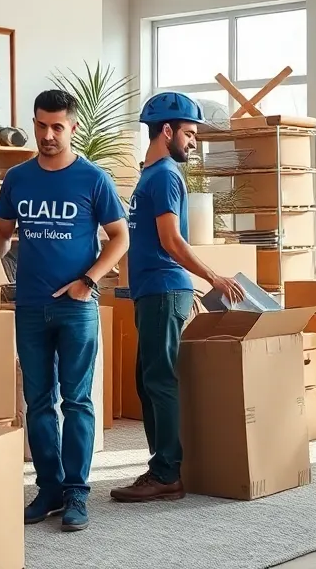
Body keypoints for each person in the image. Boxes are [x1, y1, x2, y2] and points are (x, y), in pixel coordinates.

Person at [0, 89, 128, 532]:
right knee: (37, 402)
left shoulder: (93, 179)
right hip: (28, 305)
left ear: (72, 128)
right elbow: (1, 235)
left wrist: (88, 282)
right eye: (40, 125)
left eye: (56, 127)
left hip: (76, 307)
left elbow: (119, 238)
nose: (47, 135)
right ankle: (48, 489)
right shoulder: (17, 178)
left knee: (77, 401)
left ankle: (76, 494)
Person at [110, 91, 244, 504]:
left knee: (159, 379)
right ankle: (160, 466)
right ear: (165, 130)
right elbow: (154, 238)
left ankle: (167, 472)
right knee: (148, 380)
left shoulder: (165, 174)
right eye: (189, 133)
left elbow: (171, 241)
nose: (193, 141)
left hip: (167, 290)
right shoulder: (153, 175)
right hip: (153, 291)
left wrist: (213, 277)